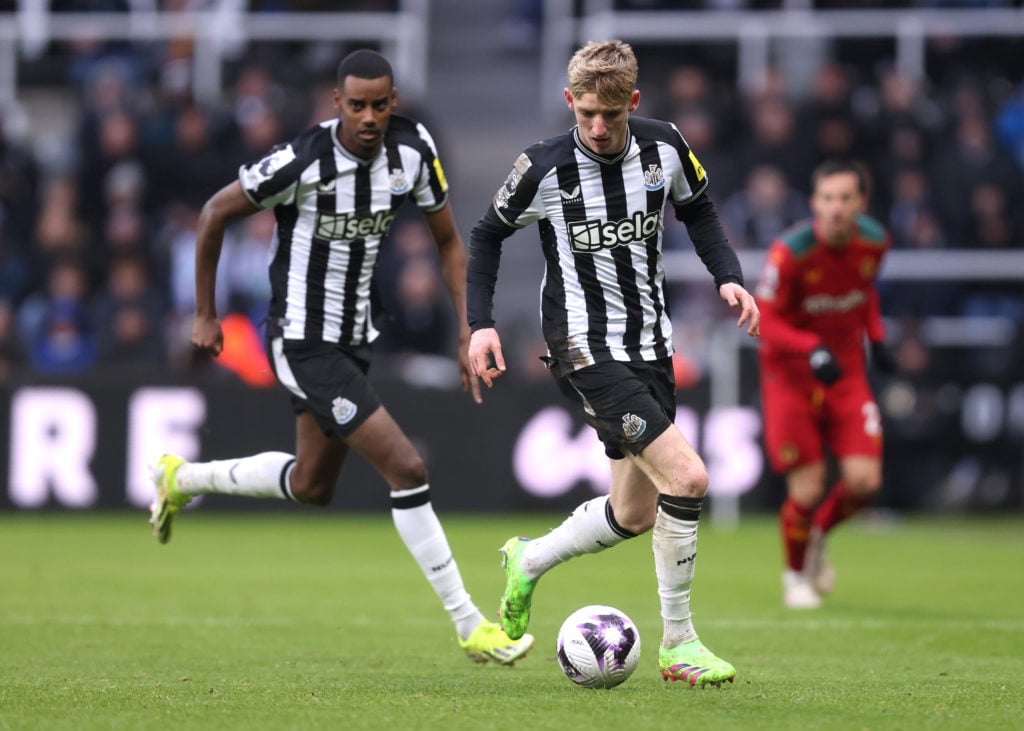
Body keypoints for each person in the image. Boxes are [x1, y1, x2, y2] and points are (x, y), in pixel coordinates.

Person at [147, 49, 534, 665]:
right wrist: (204, 313)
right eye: (356, 105)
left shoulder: (413, 152)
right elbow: (214, 212)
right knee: (407, 469)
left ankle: (181, 478)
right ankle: (470, 624)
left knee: (312, 485)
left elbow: (448, 246)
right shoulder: (304, 159)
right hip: (301, 340)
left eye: (380, 104)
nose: (369, 116)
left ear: (394, 102)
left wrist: (468, 329)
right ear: (337, 104)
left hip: (354, 339)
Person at [466, 40, 759, 687]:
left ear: (633, 103)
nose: (598, 128)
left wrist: (727, 277)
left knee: (635, 512)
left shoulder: (666, 147)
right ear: (570, 102)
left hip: (651, 344)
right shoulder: (543, 168)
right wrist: (480, 324)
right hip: (581, 346)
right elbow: (487, 234)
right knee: (687, 477)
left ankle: (529, 559)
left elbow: (700, 208)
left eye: (611, 114)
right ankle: (678, 642)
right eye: (586, 114)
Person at [754, 159, 895, 610]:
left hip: (846, 374)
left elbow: (863, 292)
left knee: (864, 482)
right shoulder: (790, 253)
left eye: (845, 199)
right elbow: (764, 318)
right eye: (827, 199)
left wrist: (877, 336)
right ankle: (795, 577)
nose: (836, 208)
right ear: (815, 203)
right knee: (808, 489)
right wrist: (809, 346)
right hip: (791, 377)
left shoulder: (875, 243)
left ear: (861, 203)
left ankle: (816, 534)